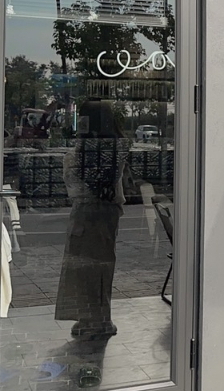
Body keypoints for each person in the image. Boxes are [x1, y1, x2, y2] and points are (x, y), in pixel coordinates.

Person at [55, 100, 130, 339]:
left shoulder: (98, 151)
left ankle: (96, 319)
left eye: (83, 118)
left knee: (90, 268)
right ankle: (92, 317)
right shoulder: (111, 147)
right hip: (100, 213)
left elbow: (83, 185)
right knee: (93, 267)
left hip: (93, 213)